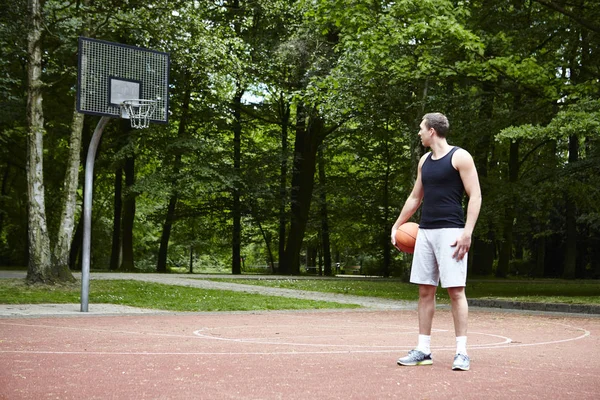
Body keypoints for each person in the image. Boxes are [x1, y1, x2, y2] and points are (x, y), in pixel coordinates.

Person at [391, 112, 481, 371]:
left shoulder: (460, 157)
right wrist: (397, 225)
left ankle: (462, 352)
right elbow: (414, 197)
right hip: (425, 232)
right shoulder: (424, 161)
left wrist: (467, 232)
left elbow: (475, 196)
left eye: (421, 128)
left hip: (452, 231)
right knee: (425, 291)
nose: (419, 133)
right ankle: (423, 350)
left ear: (432, 131)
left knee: (456, 291)